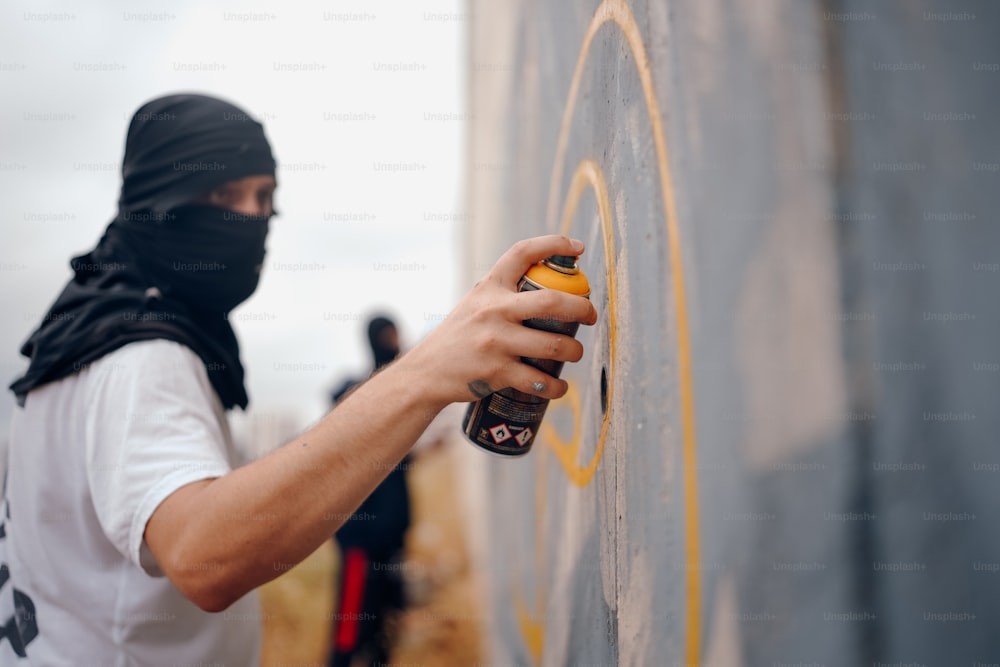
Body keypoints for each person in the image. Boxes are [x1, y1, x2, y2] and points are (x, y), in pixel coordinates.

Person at [0, 92, 596, 664]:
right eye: (225, 193)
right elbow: (203, 556)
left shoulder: (78, 336)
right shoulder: (140, 358)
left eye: (266, 200)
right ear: (159, 196)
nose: (252, 218)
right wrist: (429, 369)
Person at [328, 316, 410, 666]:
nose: (396, 341)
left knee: (383, 632)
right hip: (360, 541)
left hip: (391, 541)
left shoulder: (405, 394)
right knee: (348, 632)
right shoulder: (360, 391)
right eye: (389, 335)